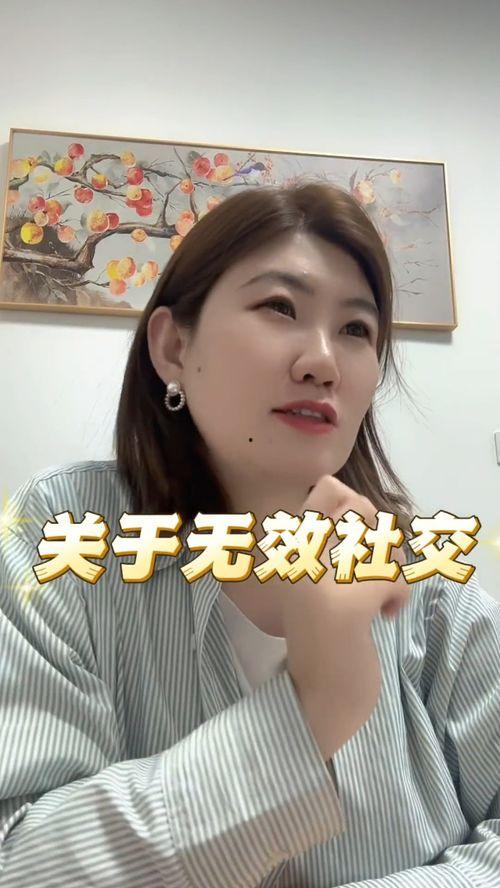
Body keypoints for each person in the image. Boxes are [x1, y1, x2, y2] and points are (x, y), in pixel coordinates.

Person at [0, 182, 498, 887]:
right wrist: (313, 708)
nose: (323, 362)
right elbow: (18, 860)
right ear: (174, 347)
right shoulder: (65, 532)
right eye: (280, 307)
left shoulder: (427, 578)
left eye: (357, 330)